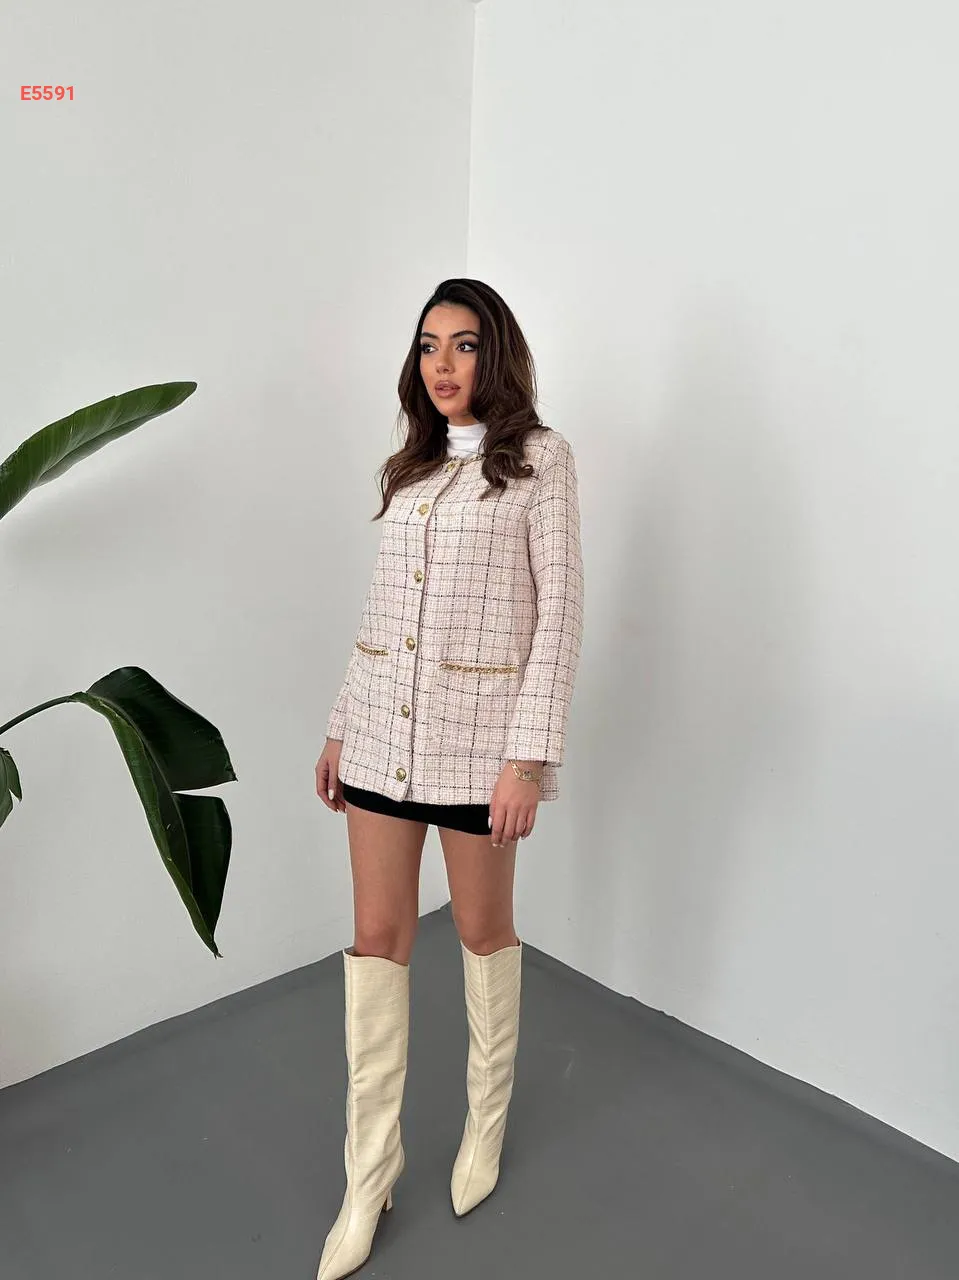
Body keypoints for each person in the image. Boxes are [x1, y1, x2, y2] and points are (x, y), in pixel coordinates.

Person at [312, 277, 584, 1280]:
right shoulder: (411, 467)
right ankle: (368, 1174)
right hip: (382, 738)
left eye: (463, 344)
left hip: (480, 750)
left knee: (478, 929)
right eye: (428, 344)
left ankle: (484, 1124)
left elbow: (558, 618)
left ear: (494, 354)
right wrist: (341, 726)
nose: (441, 363)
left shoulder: (541, 461)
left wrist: (527, 759)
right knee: (375, 939)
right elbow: (381, 612)